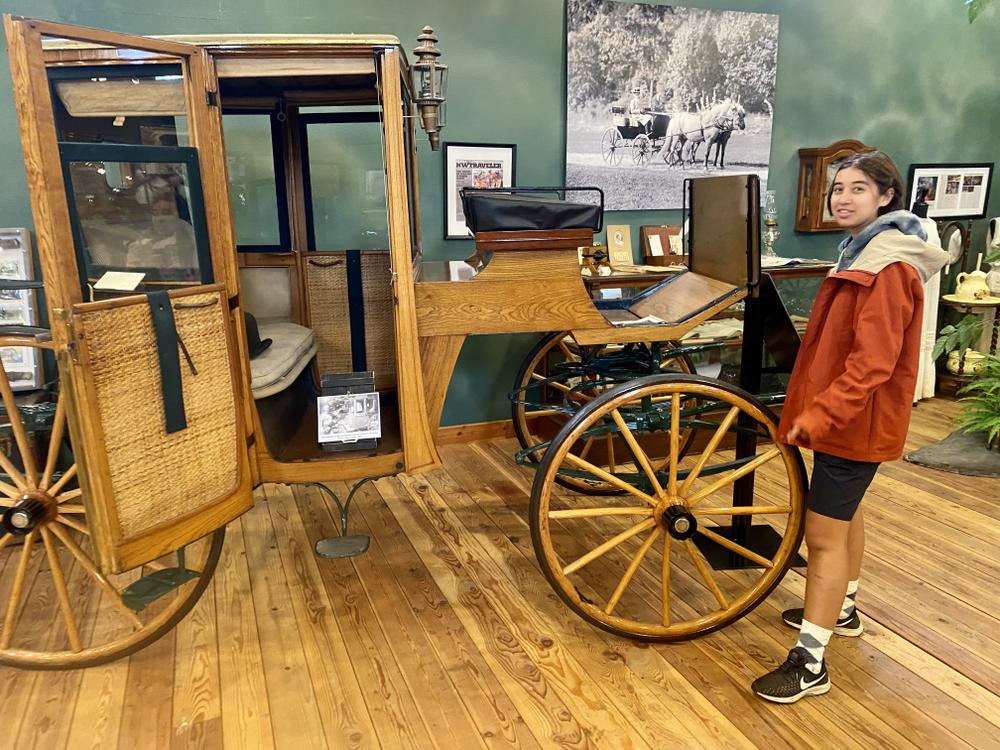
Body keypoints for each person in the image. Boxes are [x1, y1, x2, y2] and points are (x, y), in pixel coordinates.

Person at [751, 150, 948, 703]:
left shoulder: (888, 266)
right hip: (846, 421)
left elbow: (873, 364)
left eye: (858, 188)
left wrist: (822, 413)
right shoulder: (861, 251)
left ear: (886, 197)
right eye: (838, 188)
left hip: (855, 423)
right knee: (844, 514)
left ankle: (810, 663)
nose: (842, 197)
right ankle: (844, 610)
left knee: (822, 537)